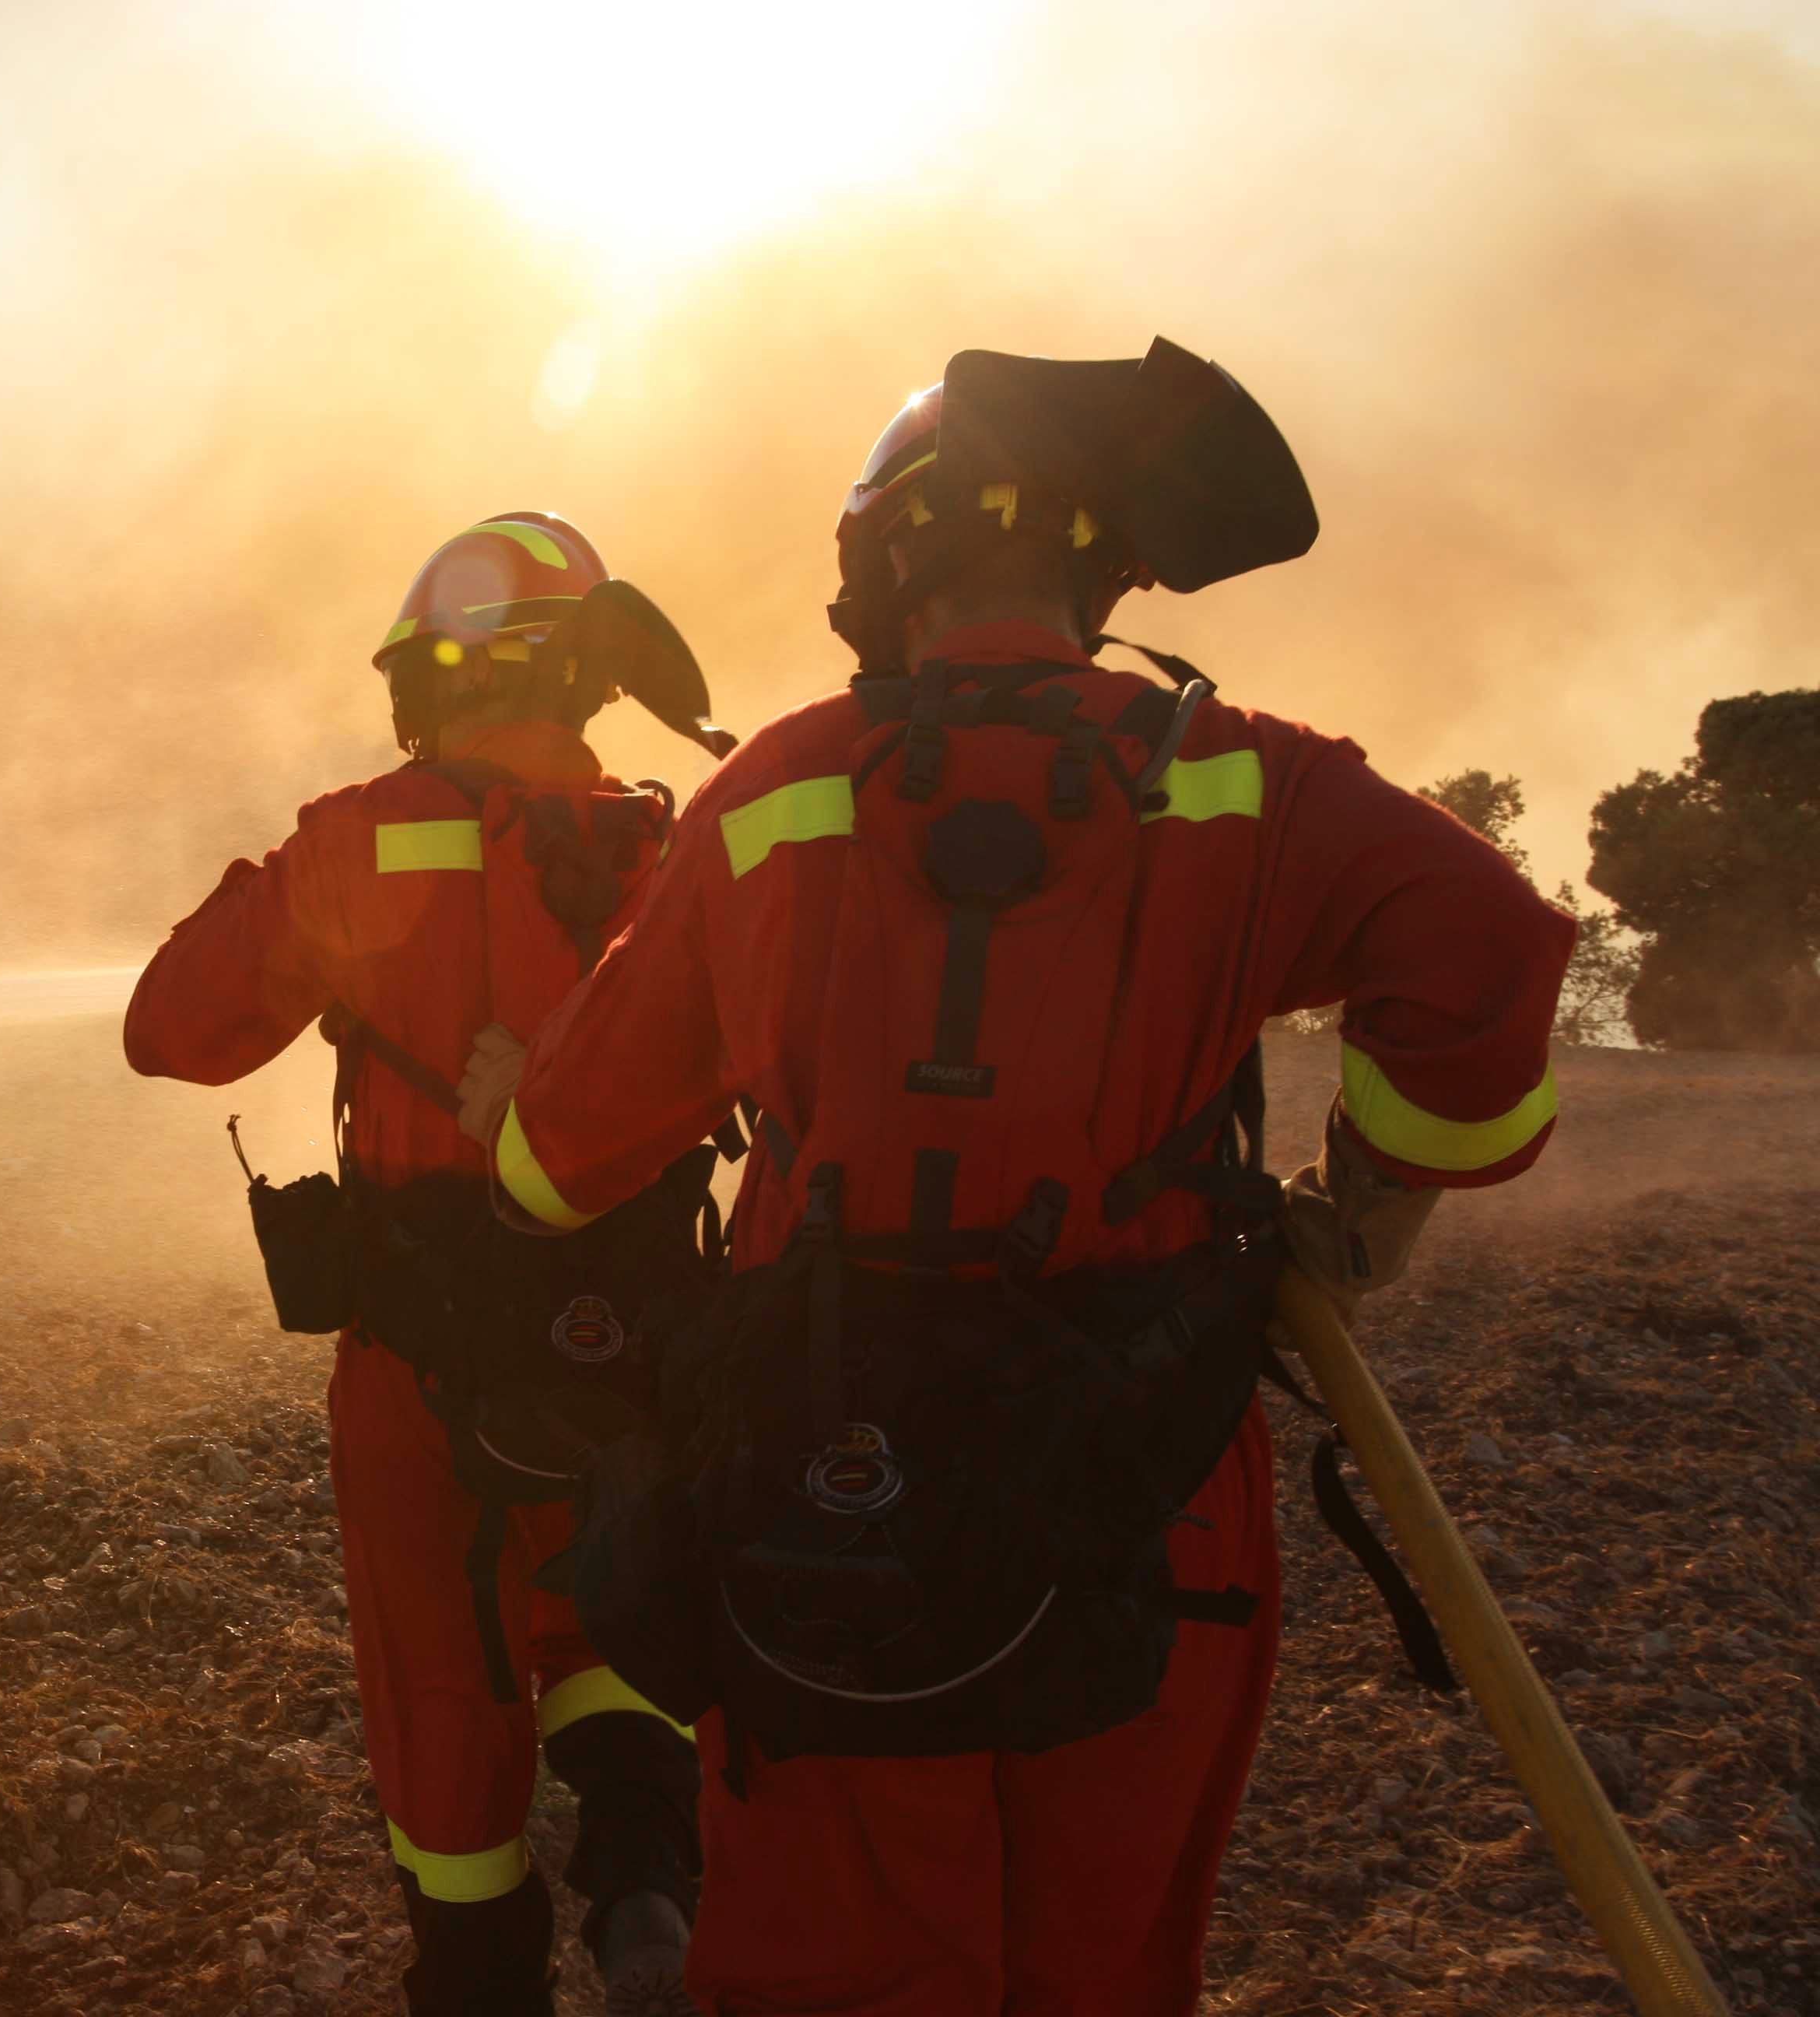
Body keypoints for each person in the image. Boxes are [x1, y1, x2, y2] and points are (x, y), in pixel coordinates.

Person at [464, 351, 1575, 2015]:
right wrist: (1365, 1212)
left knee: (833, 1969)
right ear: (1102, 562)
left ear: (882, 563)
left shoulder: (775, 791)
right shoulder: (1243, 777)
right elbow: (1489, 952)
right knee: (1099, 1962)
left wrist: (515, 1123)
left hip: (816, 1481)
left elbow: (557, 1168)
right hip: (1147, 1481)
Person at [125, 513, 728, 2017]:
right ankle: (647, 1882)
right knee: (614, 1590)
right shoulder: (679, 849)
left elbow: (171, 1031)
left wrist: (277, 892)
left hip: (423, 1354)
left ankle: (477, 1971)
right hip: (646, 1328)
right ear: (590, 678)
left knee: (444, 1667)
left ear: (423, 679)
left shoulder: (359, 839)